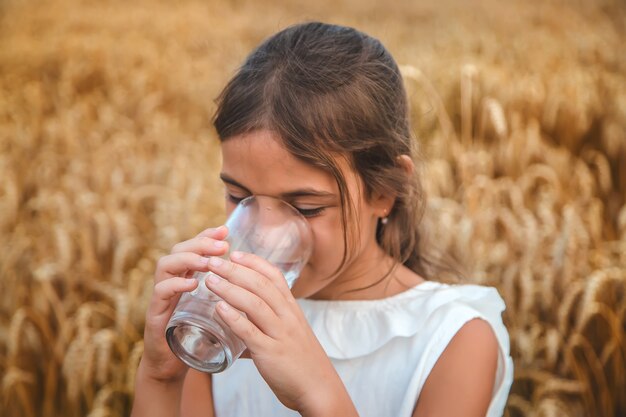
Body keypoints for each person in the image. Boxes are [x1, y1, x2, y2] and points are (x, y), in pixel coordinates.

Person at [131, 22, 513, 417]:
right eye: (239, 197)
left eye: (307, 207)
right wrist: (161, 378)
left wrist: (318, 395)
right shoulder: (221, 319)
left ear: (383, 192)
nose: (265, 231)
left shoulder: (454, 340)